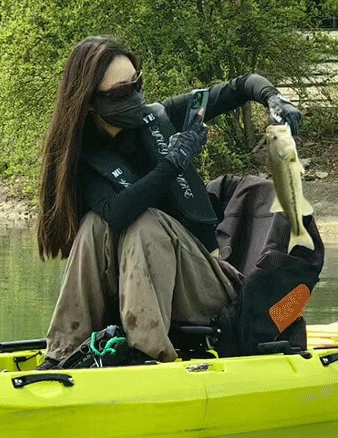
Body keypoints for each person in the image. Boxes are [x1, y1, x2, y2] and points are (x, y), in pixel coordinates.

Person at [35, 35, 302, 368]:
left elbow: (241, 86)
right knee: (94, 223)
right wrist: (172, 162)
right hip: (134, 292)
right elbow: (117, 212)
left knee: (147, 224)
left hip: (207, 287)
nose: (135, 96)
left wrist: (274, 99)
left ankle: (149, 355)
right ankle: (62, 352)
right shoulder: (85, 159)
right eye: (121, 92)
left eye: (138, 84)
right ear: (91, 102)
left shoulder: (162, 116)